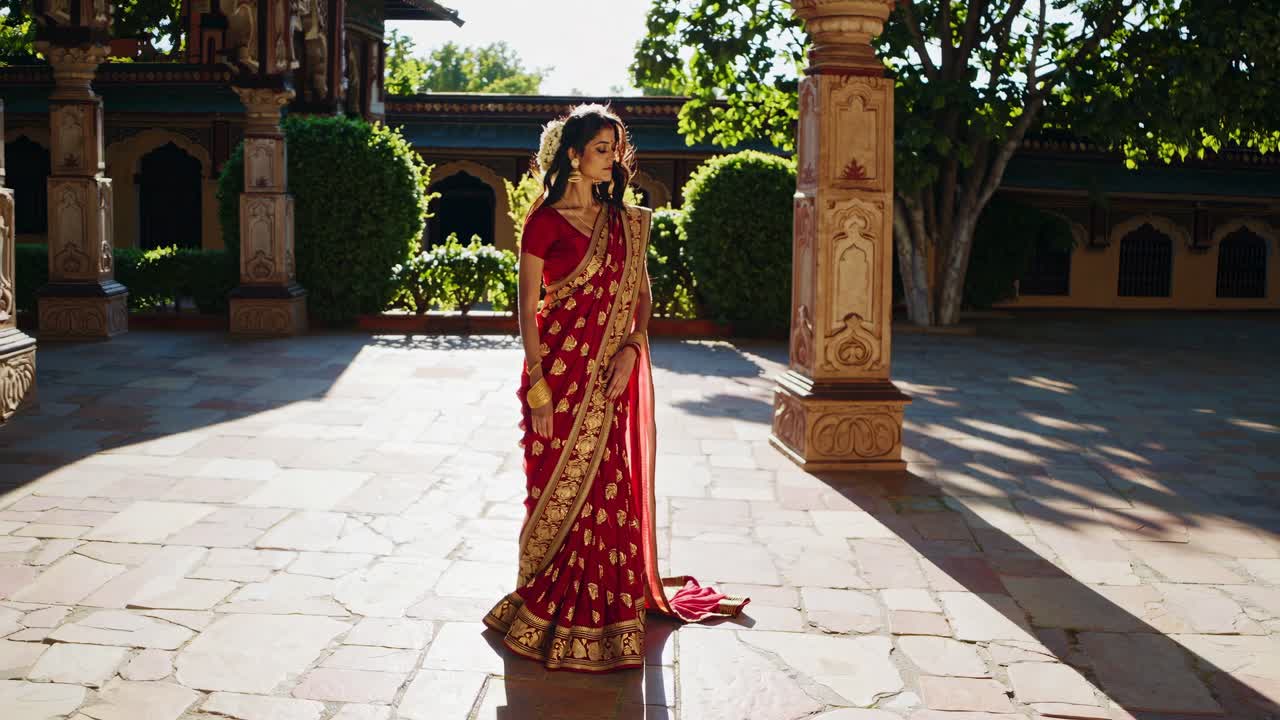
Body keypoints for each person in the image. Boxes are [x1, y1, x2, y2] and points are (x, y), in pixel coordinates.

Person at [483, 104, 748, 672]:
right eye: (602, 148)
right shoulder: (544, 221)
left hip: (608, 376)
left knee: (610, 490)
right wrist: (539, 386)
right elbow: (527, 309)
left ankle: (608, 608)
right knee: (551, 484)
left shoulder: (626, 221)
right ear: (574, 155)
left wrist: (631, 347)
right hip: (555, 374)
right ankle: (547, 602)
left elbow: (644, 298)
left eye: (615, 147)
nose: (613, 157)